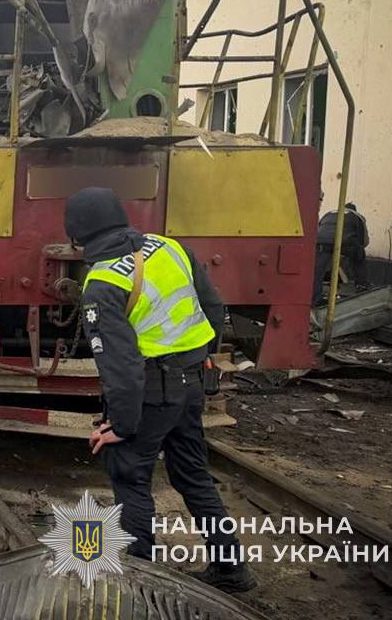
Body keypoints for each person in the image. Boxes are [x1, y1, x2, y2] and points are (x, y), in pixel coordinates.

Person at [65, 187, 256, 593]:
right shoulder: (170, 247)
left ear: (78, 234)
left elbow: (121, 365)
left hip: (151, 392)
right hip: (190, 385)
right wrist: (203, 355)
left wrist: (121, 425)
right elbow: (213, 306)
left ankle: (138, 581)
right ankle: (232, 568)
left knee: (131, 478)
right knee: (193, 476)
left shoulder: (101, 284)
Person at [312, 202, 370, 304]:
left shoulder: (329, 213)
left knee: (318, 270)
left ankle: (315, 298)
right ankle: (361, 285)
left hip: (321, 241)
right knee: (360, 255)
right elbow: (363, 240)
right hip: (344, 241)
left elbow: (319, 228)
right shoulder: (357, 216)